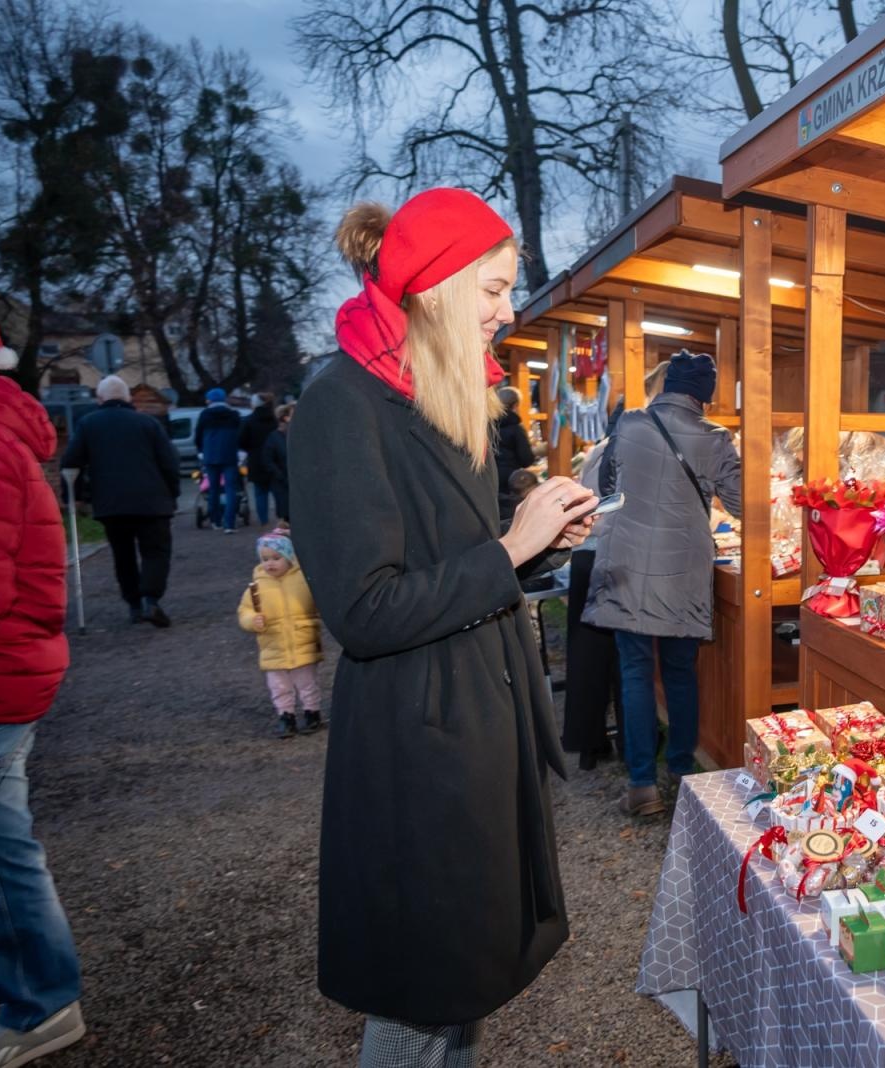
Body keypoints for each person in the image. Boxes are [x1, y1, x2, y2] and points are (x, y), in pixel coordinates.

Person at [292, 189, 595, 1067]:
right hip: (419, 738)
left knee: (466, 983)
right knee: (421, 992)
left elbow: (452, 559)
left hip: (472, 717)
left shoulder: (435, 393)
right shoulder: (343, 403)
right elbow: (365, 610)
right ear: (437, 285)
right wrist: (511, 549)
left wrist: (535, 546)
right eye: (495, 291)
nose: (509, 311)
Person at [0, 339, 87, 1065]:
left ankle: (42, 1001)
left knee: (1, 852)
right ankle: (42, 998)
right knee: (0, 845)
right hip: (7, 666)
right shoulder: (0, 431)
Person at [584, 350, 742, 816]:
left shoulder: (628, 424)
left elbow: (606, 486)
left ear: (667, 384)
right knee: (679, 672)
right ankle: (682, 770)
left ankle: (641, 785)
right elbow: (741, 502)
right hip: (683, 573)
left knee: (635, 673)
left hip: (626, 565)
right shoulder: (715, 438)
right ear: (704, 397)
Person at [563, 360, 669, 771]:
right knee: (628, 662)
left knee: (590, 656)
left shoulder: (602, 450)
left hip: (590, 557)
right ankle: (631, 747)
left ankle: (590, 745)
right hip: (619, 561)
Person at [61, 376, 181, 627]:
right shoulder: (148, 423)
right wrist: (173, 492)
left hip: (111, 503)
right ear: (128, 398)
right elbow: (169, 462)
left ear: (100, 399)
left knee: (123, 554)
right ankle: (151, 599)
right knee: (155, 552)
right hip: (152, 500)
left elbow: (71, 462)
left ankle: (134, 605)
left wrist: (74, 497)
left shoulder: (88, 424)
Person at [237, 531, 323, 738]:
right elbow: (244, 611)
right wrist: (251, 621)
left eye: (276, 558)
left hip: (303, 642)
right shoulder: (256, 588)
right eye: (265, 559)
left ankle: (312, 712)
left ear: (290, 558)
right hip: (273, 645)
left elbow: (318, 603)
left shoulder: (304, 581)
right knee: (279, 686)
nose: (270, 564)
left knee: (307, 683)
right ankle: (286, 716)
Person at [194, 387, 243, 533]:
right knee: (230, 489)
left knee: (213, 489)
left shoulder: (205, 415)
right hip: (229, 455)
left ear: (210, 399)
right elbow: (240, 436)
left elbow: (198, 436)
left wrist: (201, 451)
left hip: (210, 455)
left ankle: (216, 521)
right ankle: (230, 524)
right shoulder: (234, 415)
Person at [493, 386, 538, 525]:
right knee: (514, 521)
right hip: (514, 482)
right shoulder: (516, 428)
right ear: (516, 405)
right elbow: (526, 459)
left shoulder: (487, 426)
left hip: (492, 479)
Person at [239, 393, 279, 527]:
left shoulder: (249, 420)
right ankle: (282, 518)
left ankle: (264, 520)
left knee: (260, 492)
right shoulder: (274, 419)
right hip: (275, 459)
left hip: (256, 459)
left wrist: (251, 448)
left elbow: (241, 440)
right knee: (278, 490)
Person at [261, 404, 294, 524]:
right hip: (282, 483)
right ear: (285, 418)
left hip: (298, 483)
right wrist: (280, 476)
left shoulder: (299, 436)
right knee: (287, 514)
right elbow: (268, 460)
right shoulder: (274, 438)